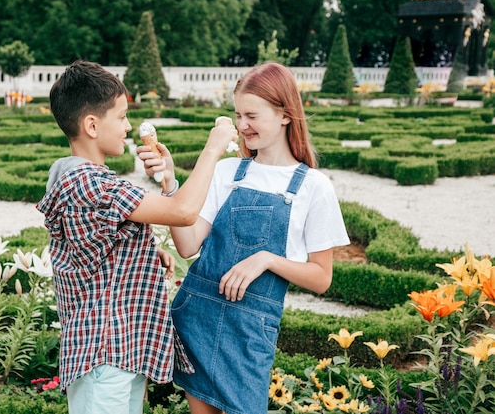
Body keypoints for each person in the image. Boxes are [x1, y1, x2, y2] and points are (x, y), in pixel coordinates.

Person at [139, 62, 350, 414]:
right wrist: (169, 183)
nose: (241, 126)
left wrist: (266, 259)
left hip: (251, 331)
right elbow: (188, 245)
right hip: (198, 317)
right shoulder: (227, 172)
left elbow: (321, 277)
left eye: (251, 115)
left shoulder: (313, 187)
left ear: (285, 114)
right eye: (237, 115)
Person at [35, 59, 238, 414]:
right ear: (92, 125)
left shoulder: (87, 179)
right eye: (122, 116)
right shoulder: (92, 184)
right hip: (105, 356)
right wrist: (214, 147)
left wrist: (143, 251)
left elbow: (98, 248)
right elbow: (183, 212)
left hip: (117, 354)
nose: (128, 126)